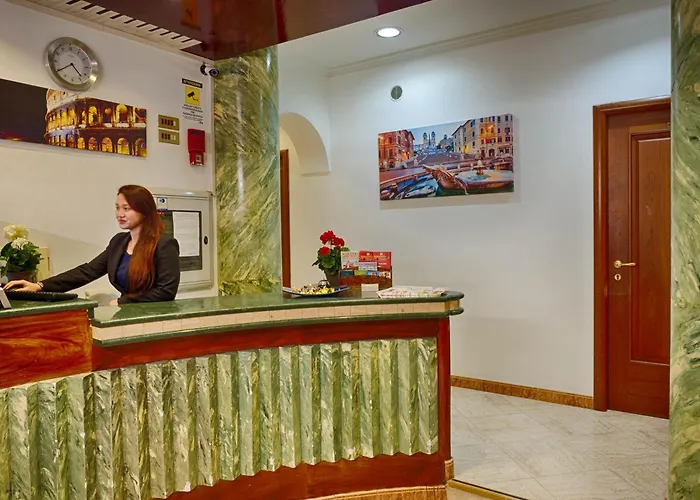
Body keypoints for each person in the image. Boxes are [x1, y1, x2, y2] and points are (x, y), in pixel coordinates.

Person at [3, 185, 180, 305]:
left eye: (126, 208)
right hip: (126, 314)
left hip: (153, 317)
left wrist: (123, 301)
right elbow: (87, 271)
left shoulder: (164, 244)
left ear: (144, 211)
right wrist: (40, 286)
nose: (120, 214)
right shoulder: (119, 242)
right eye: (117, 207)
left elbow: (166, 291)